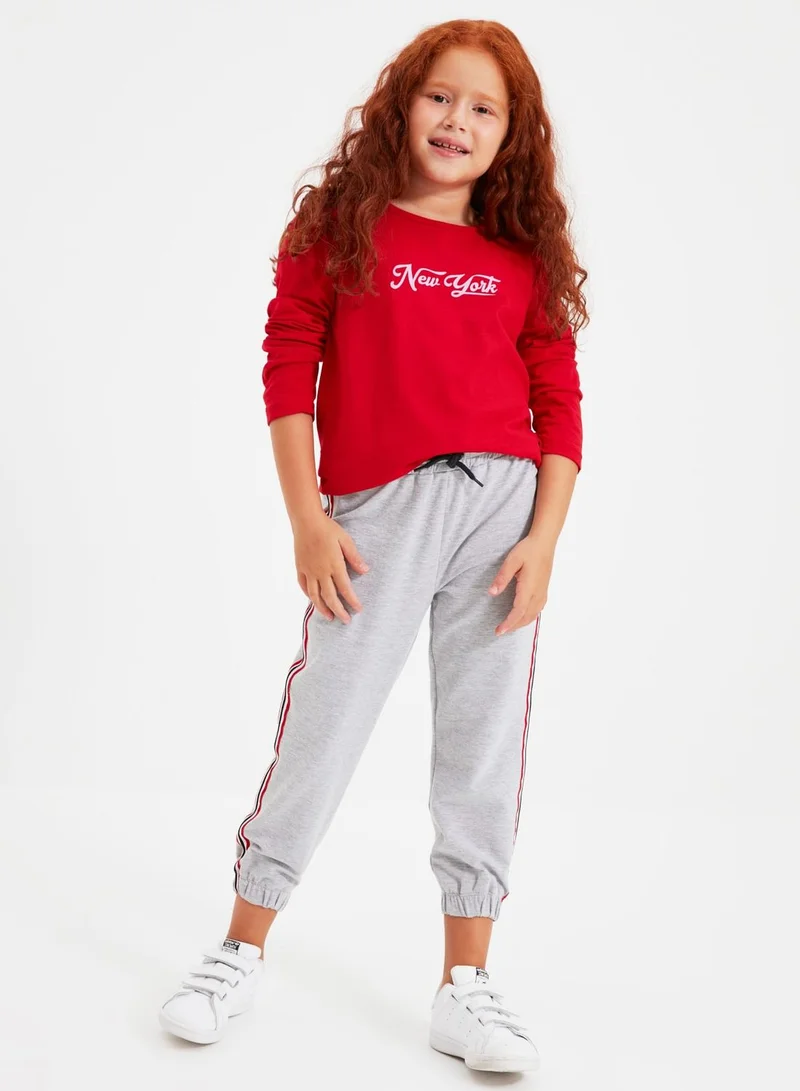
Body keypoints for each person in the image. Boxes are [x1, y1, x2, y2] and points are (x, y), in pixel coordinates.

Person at [158, 17, 588, 1074]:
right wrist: (308, 516)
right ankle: (239, 947)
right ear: (402, 102)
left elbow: (559, 400)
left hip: (501, 513)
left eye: (483, 109)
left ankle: (465, 984)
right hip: (376, 514)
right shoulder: (340, 225)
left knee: (481, 746)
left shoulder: (519, 255)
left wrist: (543, 538)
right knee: (326, 723)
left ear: (510, 135)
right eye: (441, 96)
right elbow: (287, 364)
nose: (457, 120)